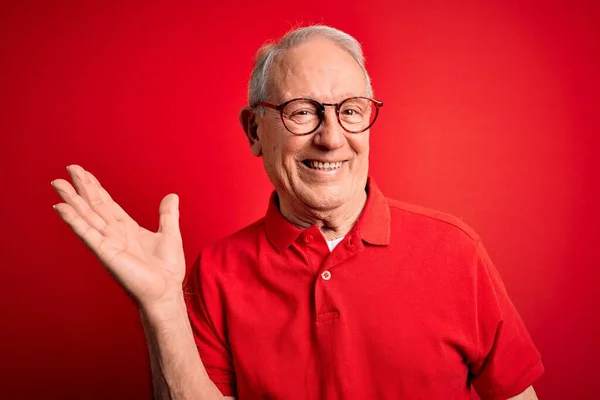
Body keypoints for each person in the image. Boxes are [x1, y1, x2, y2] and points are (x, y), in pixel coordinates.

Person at [51, 25, 543, 399]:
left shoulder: (455, 251)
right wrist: (162, 309)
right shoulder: (217, 275)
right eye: (303, 111)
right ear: (253, 131)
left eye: (350, 110)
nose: (331, 137)